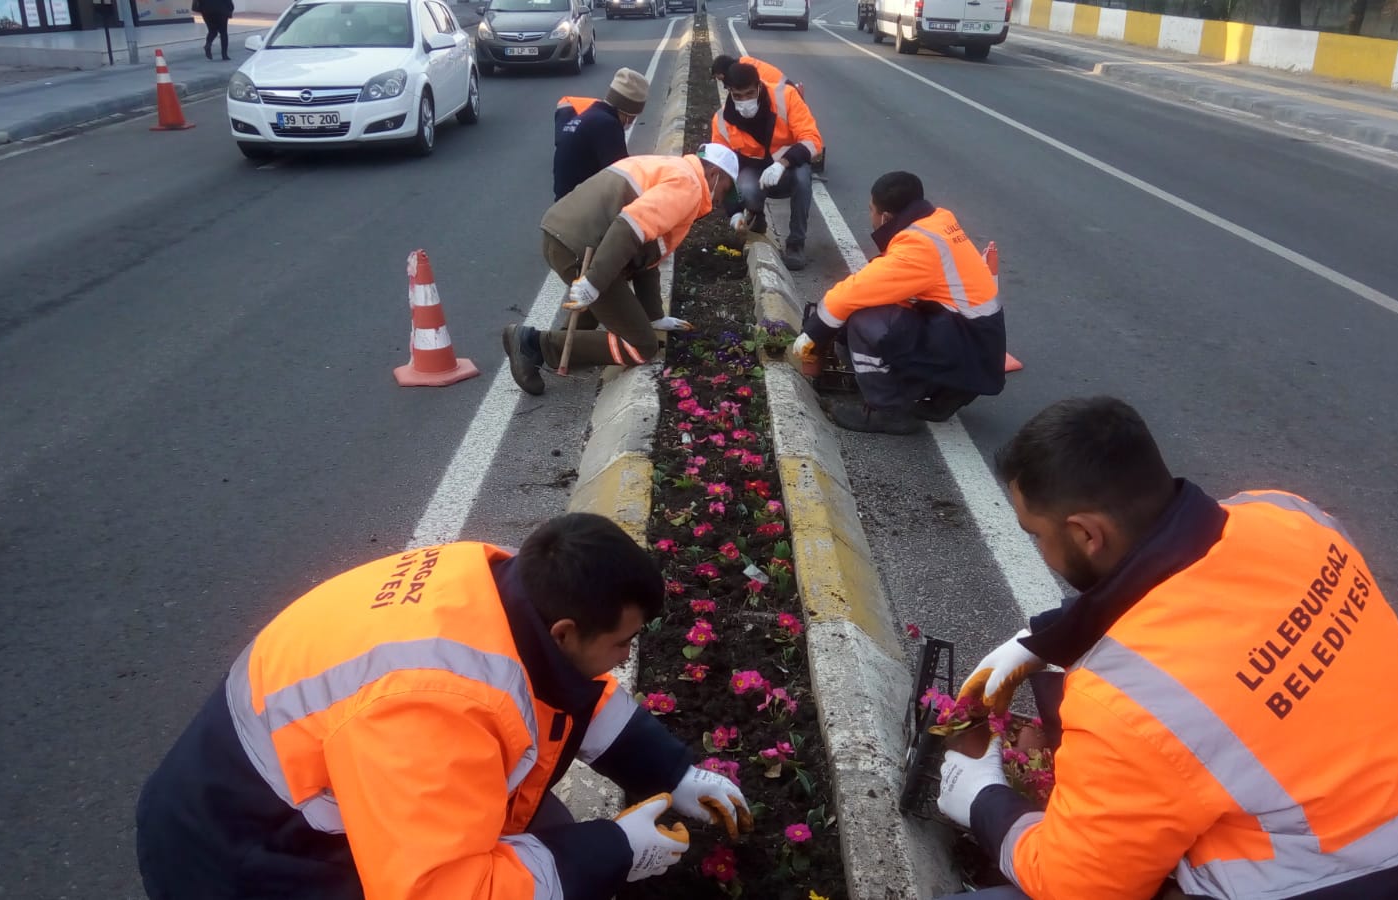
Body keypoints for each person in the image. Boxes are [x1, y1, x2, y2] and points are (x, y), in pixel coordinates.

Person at [935, 397, 1398, 900]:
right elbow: (1191, 577)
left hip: (1322, 885)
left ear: (1086, 534)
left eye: (1036, 535)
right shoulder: (1287, 515)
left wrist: (984, 800)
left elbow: (1076, 886)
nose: (1040, 548)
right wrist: (1040, 639)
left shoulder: (1131, 703)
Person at [136, 513, 753, 900]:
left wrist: (673, 773)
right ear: (565, 631)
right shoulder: (430, 713)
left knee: (552, 841)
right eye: (621, 642)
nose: (624, 658)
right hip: (245, 854)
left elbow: (573, 695)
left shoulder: (504, 590)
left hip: (291, 782)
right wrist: (618, 850)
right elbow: (437, 891)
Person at [501, 143, 740, 395]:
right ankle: (533, 344)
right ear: (714, 174)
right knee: (641, 346)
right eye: (725, 190)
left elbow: (647, 254)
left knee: (609, 299)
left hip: (562, 233)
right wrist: (594, 281)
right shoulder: (688, 186)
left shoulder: (670, 167)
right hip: (581, 247)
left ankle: (569, 347)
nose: (720, 201)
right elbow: (630, 226)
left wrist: (654, 315)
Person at [790, 171, 1005, 435]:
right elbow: (890, 277)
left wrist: (814, 331)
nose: (870, 216)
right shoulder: (938, 220)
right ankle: (949, 393)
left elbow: (856, 292)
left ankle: (887, 411)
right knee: (886, 307)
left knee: (865, 321)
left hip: (967, 344)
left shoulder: (919, 245)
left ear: (886, 217)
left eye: (871, 210)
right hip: (978, 343)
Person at [709, 62, 822, 271]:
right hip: (755, 172)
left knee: (803, 179)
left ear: (759, 86)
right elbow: (721, 170)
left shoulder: (786, 97)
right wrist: (733, 212)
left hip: (788, 169)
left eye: (750, 93)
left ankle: (796, 244)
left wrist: (782, 164)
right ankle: (756, 215)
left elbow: (812, 140)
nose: (745, 101)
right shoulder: (722, 121)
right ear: (729, 92)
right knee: (747, 187)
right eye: (738, 95)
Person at [554, 68, 650, 201]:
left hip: (564, 204)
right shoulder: (608, 125)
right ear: (629, 113)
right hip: (581, 209)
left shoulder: (591, 114)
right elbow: (622, 177)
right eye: (635, 116)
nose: (633, 121)